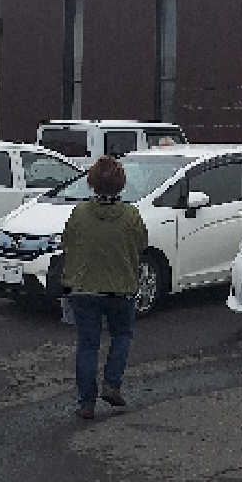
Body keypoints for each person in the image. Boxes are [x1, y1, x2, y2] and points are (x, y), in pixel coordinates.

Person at [61, 155, 148, 421]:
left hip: (83, 287)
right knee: (122, 336)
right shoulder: (131, 215)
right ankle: (112, 384)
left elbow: (67, 242)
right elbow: (142, 245)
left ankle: (86, 403)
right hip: (120, 288)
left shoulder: (79, 213)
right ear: (120, 184)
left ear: (91, 184)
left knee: (87, 345)